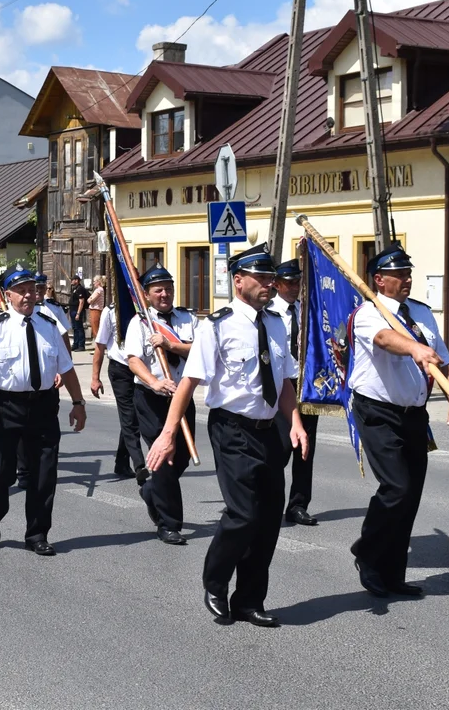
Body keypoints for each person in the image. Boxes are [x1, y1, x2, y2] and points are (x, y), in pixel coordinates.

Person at [146, 244, 308, 627]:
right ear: (239, 281)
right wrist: (168, 434)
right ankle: (215, 581)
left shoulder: (275, 323)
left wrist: (296, 422)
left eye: (272, 277)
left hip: (270, 430)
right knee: (243, 513)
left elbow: (283, 379)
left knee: (268, 519)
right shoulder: (215, 325)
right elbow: (189, 382)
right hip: (232, 428)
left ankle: (249, 600)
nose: (270, 283)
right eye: (262, 277)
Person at [348, 244, 449, 598]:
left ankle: (393, 573)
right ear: (379, 280)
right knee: (396, 488)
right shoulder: (369, 313)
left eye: (408, 273)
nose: (406, 279)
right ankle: (367, 553)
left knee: (410, 495)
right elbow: (384, 339)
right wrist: (413, 347)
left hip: (414, 414)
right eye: (398, 274)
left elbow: (442, 359)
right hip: (378, 411)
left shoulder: (421, 314)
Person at [0, 266, 87, 556]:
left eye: (32, 289)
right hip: (6, 406)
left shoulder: (49, 325)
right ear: (8, 295)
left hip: (44, 406)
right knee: (1, 472)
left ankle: (37, 534)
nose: (28, 295)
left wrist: (78, 403)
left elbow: (67, 369)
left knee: (44, 474)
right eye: (21, 290)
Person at [124, 264, 197, 545]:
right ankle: (169, 523)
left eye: (168, 288)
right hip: (152, 398)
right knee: (165, 459)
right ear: (147, 294)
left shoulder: (187, 319)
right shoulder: (139, 323)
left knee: (182, 459)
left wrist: (170, 346)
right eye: (158, 290)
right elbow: (133, 360)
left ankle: (151, 490)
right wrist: (154, 382)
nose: (165, 294)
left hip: (182, 396)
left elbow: (199, 347)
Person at [268, 259, 320, 526]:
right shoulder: (268, 312)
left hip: (307, 386)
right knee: (281, 447)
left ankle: (298, 504)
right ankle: (271, 501)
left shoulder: (307, 311)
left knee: (305, 449)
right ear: (276, 284)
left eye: (298, 282)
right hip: (280, 386)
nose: (295, 287)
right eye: (289, 283)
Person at [91, 303, 142, 481]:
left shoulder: (146, 310)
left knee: (136, 415)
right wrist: (95, 377)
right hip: (121, 369)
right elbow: (100, 345)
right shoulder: (110, 311)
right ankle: (139, 464)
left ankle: (121, 462)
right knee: (129, 416)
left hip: (143, 370)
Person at [68, 275, 90, 351]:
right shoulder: (75, 289)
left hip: (77, 311)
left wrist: (78, 313)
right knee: (75, 328)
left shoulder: (80, 289)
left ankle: (81, 345)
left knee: (79, 328)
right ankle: (75, 344)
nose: (71, 281)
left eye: (72, 280)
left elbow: (81, 302)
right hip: (73, 310)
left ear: (76, 280)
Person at [87, 276, 106, 346]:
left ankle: (98, 346)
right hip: (94, 310)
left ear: (98, 282)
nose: (93, 283)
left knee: (95, 328)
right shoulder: (99, 290)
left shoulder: (99, 290)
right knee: (95, 328)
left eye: (94, 281)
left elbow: (90, 300)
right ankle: (97, 346)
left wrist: (90, 299)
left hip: (96, 310)